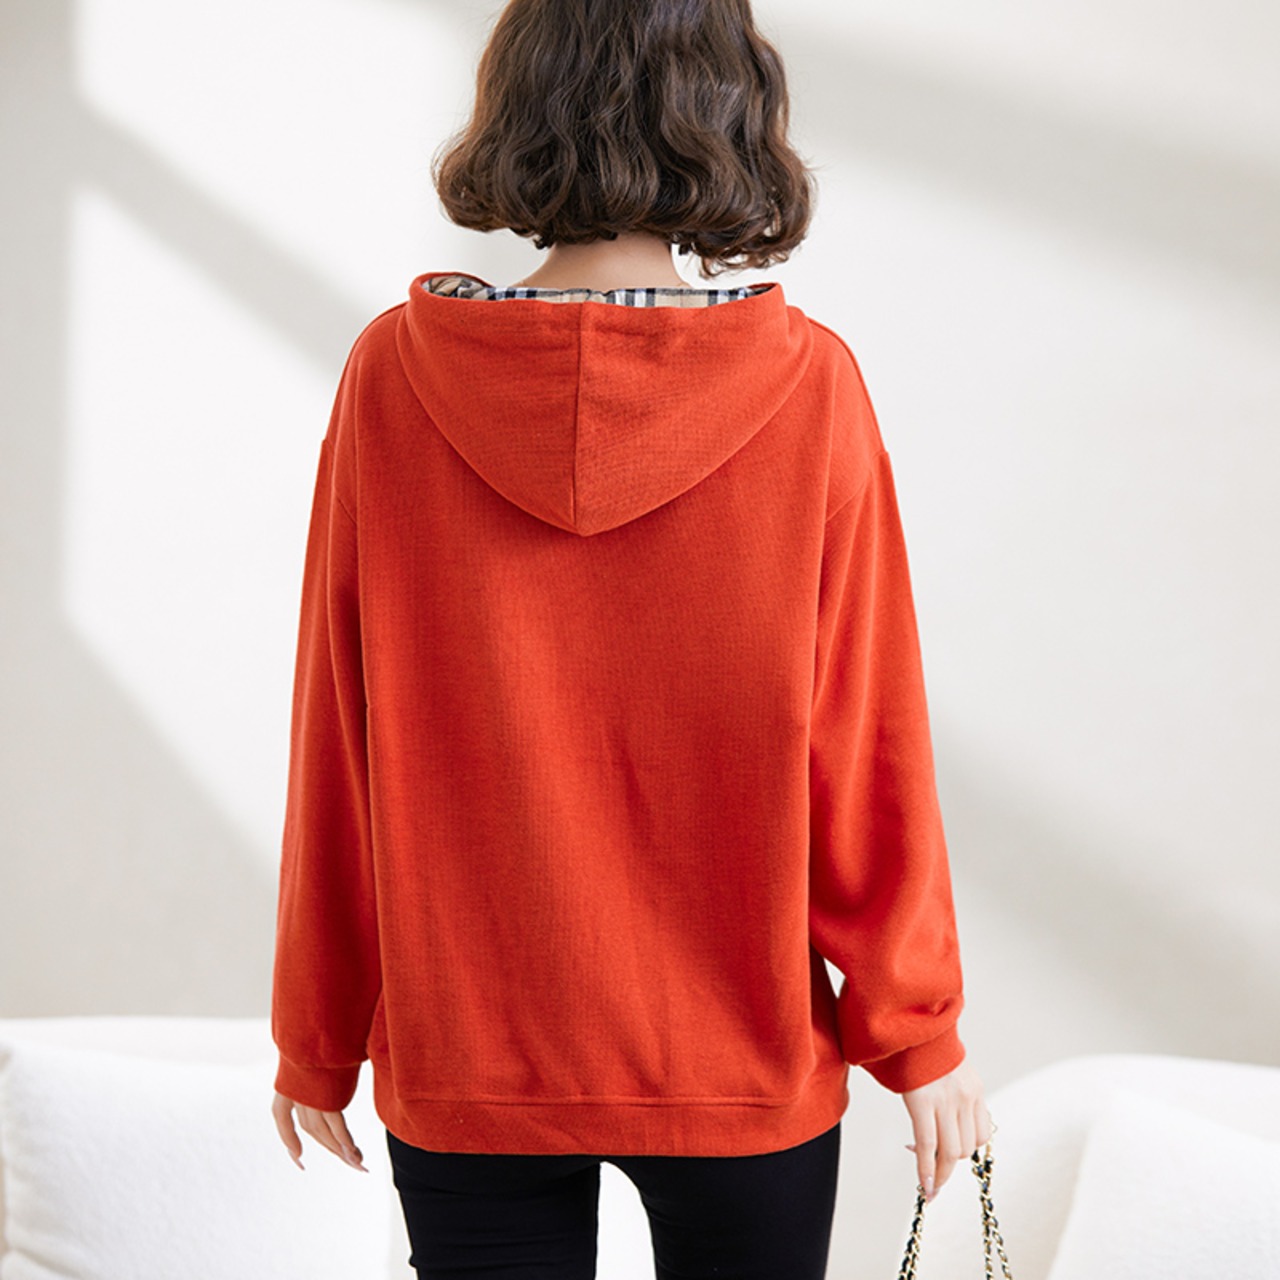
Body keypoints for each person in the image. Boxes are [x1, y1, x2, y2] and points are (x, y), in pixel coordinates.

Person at [269, 1, 993, 1276]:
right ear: (728, 108)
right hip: (741, 1061)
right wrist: (915, 1030)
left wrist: (317, 1030)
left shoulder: (391, 377)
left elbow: (340, 732)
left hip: (469, 1054)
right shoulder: (808, 386)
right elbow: (863, 738)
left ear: (516, 104)